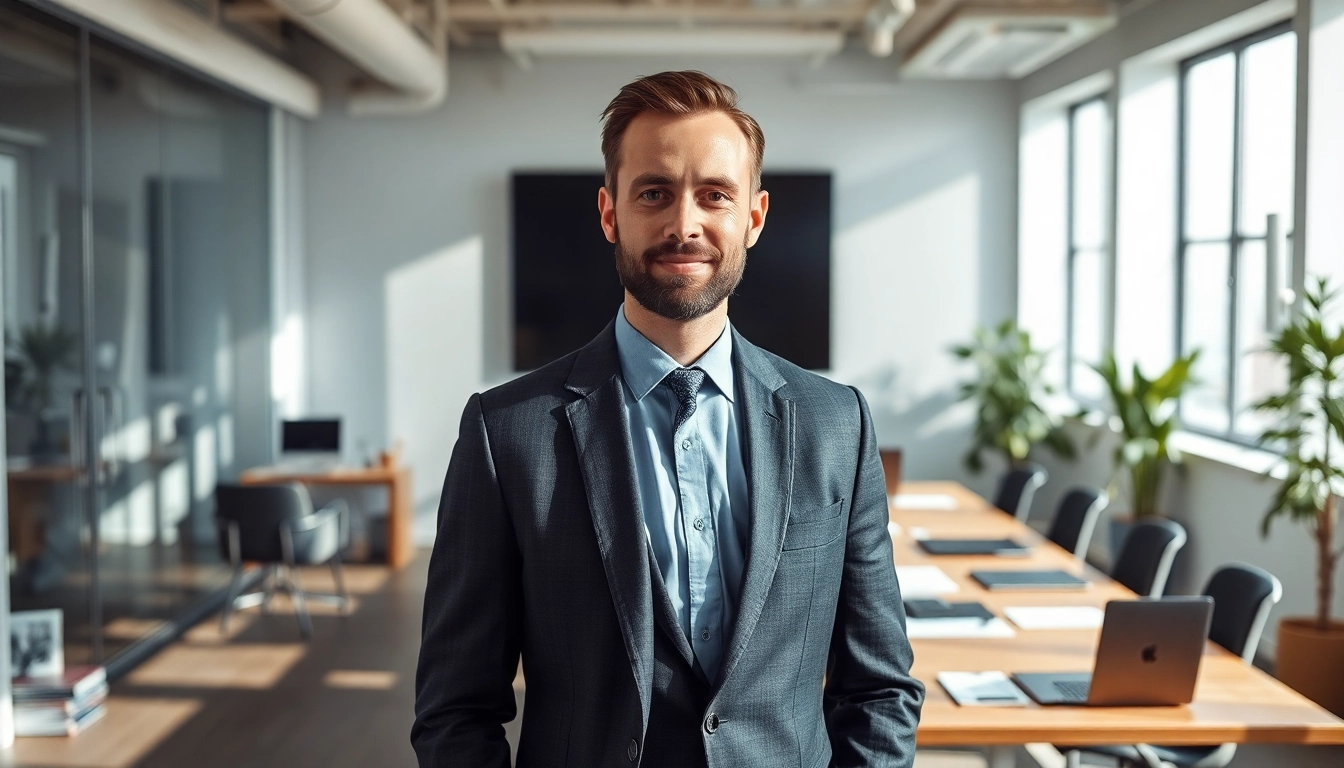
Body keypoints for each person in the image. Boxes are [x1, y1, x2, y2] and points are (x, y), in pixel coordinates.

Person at [412, 70, 923, 768]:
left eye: (715, 195)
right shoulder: (508, 435)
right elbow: (456, 710)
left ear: (754, 216)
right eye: (654, 192)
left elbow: (880, 690)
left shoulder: (839, 424)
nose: (685, 224)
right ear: (609, 212)